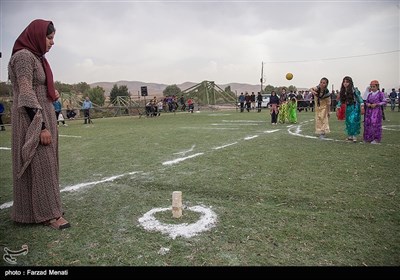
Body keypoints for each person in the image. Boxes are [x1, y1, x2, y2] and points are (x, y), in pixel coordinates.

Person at [8, 19, 70, 229]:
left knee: (46, 163)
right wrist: (41, 126)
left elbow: (36, 87)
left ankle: (40, 209)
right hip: (32, 119)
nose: (52, 43)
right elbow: (25, 92)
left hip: (44, 113)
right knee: (42, 163)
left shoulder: (36, 57)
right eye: (49, 37)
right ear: (36, 36)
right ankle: (49, 215)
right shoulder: (24, 57)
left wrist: (50, 94)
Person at [336, 76, 363, 142]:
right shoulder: (343, 91)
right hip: (348, 107)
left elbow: (359, 98)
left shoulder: (354, 90)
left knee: (354, 120)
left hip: (355, 107)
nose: (345, 83)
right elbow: (341, 100)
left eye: (347, 82)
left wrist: (362, 105)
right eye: (344, 82)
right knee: (348, 121)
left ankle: (354, 136)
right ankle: (350, 135)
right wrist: (338, 107)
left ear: (350, 83)